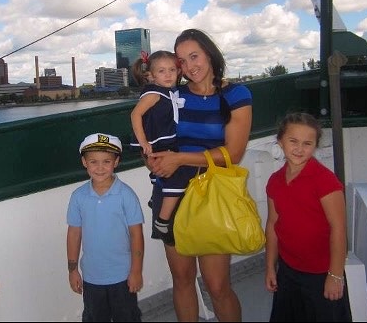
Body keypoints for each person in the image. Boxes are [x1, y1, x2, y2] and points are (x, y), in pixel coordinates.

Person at [146, 28, 253, 322]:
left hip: (212, 198)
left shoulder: (234, 95)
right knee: (182, 280)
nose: (189, 65)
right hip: (172, 196)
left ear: (209, 53)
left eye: (194, 56)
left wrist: (179, 158)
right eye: (181, 61)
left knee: (217, 286)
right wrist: (154, 160)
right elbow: (153, 139)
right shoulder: (171, 95)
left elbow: (233, 153)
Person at [264, 112, 352, 322]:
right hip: (288, 271)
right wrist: (270, 267)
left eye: (307, 143)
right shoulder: (275, 181)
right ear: (280, 142)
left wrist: (335, 275)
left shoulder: (325, 181)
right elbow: (273, 224)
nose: (299, 149)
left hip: (321, 273)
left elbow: (338, 228)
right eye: (293, 141)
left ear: (315, 146)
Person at [66, 133, 145, 322]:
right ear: (84, 162)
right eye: (93, 162)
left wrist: (136, 271)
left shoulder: (126, 195)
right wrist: (72, 269)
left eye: (106, 161)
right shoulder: (78, 197)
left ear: (116, 162)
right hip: (92, 277)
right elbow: (74, 234)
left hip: (123, 276)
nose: (100, 168)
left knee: (127, 317)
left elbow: (136, 235)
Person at [130, 50, 184, 245]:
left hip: (168, 140)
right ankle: (163, 220)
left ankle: (157, 197)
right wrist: (143, 142)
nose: (168, 75)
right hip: (159, 142)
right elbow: (136, 114)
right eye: (162, 71)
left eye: (172, 70)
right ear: (150, 76)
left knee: (165, 173)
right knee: (178, 177)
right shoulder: (154, 93)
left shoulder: (170, 92)